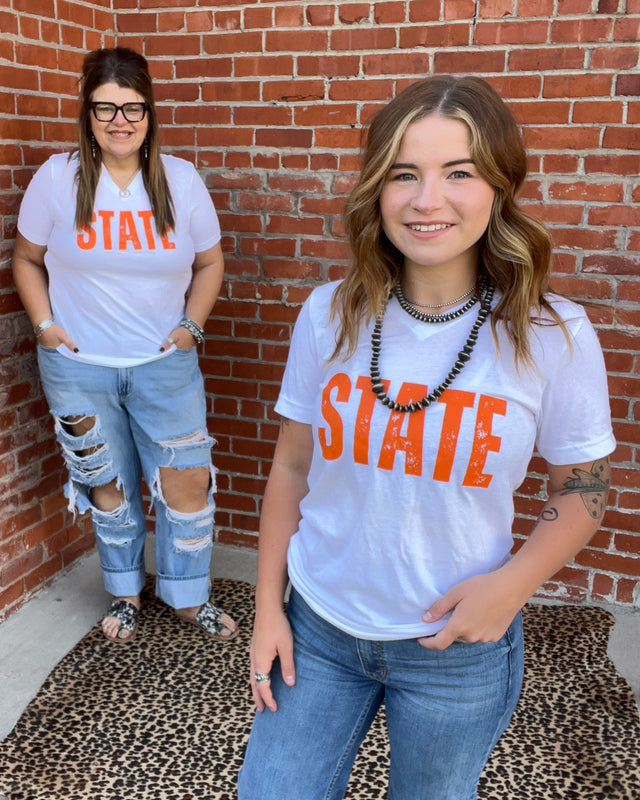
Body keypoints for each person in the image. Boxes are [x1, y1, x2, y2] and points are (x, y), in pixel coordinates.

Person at [238, 75, 614, 799]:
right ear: (377, 189)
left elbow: (586, 489)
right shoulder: (328, 315)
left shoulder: (552, 333)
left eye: (459, 173)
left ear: (499, 187)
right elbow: (290, 467)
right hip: (319, 629)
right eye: (403, 173)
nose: (426, 199)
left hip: (457, 649)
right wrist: (266, 612)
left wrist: (511, 588)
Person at [12, 47, 237, 645]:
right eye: (105, 107)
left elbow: (210, 262)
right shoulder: (57, 179)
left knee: (186, 482)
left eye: (132, 107)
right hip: (78, 368)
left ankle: (190, 598)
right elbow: (28, 259)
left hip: (165, 366)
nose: (120, 120)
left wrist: (191, 327)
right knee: (106, 486)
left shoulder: (180, 182)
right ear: (87, 113)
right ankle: (124, 593)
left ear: (150, 113)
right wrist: (44, 327)